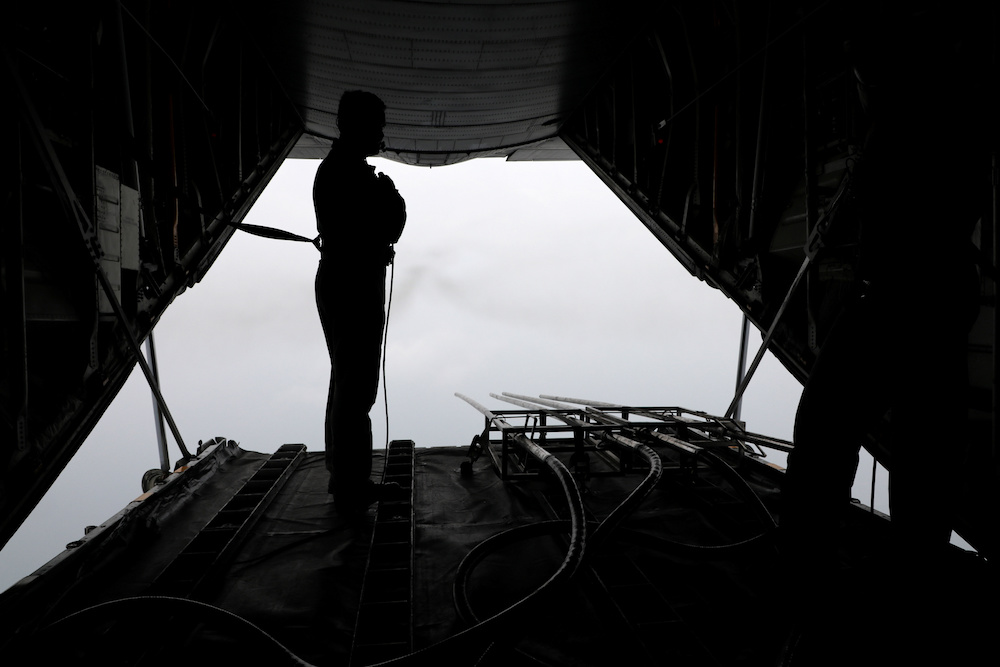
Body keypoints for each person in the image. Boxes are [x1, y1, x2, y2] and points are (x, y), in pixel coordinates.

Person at [314, 90, 406, 517]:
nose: (382, 134)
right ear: (361, 126)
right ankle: (350, 483)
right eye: (378, 125)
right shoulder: (352, 176)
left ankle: (344, 477)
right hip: (354, 282)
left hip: (344, 278)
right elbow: (391, 223)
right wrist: (391, 195)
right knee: (356, 387)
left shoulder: (339, 171)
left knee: (346, 381)